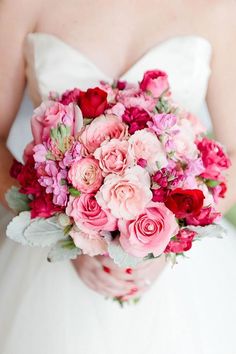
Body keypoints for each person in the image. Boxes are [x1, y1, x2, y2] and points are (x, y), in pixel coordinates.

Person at [0, 1, 236, 353]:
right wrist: (72, 235)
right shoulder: (20, 6)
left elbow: (233, 152)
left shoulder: (219, 9)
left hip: (180, 280)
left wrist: (166, 243)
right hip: (50, 268)